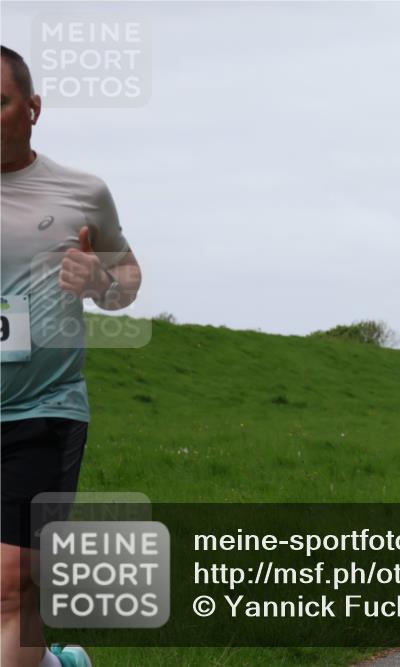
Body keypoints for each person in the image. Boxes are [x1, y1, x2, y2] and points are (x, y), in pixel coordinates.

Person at [1, 46, 142, 667]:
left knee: (13, 582)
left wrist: (99, 281)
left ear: (32, 109)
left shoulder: (82, 192)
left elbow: (128, 278)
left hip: (42, 409)